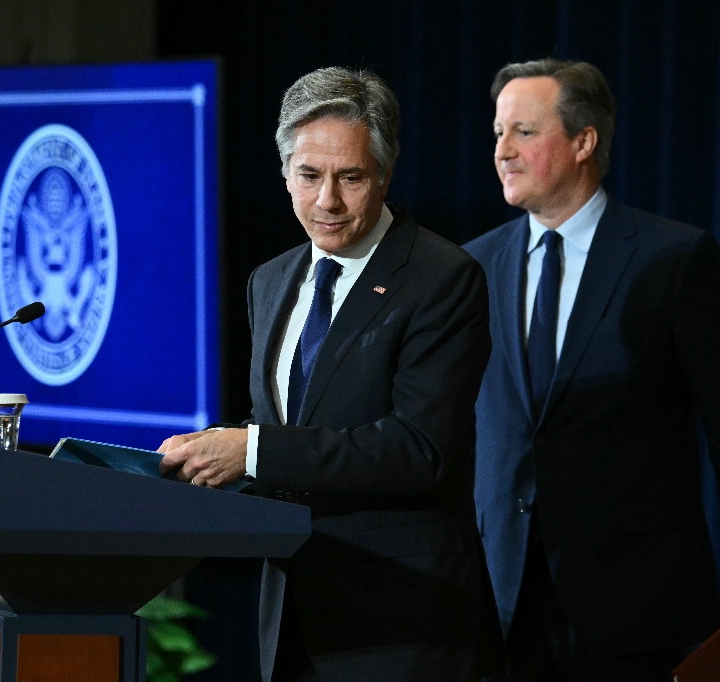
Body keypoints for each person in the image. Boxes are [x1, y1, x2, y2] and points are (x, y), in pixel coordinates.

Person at [158, 67, 503, 682]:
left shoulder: (443, 278)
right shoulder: (269, 281)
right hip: (289, 613)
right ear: (284, 171)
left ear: (386, 175)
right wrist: (212, 453)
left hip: (401, 623)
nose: (327, 201)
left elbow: (417, 449)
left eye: (351, 178)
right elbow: (297, 425)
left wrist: (252, 449)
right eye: (309, 176)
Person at [464, 58, 720, 682]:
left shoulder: (673, 259)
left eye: (524, 132)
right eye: (498, 134)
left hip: (637, 608)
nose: (503, 150)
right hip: (503, 607)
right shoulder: (473, 267)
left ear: (584, 141)